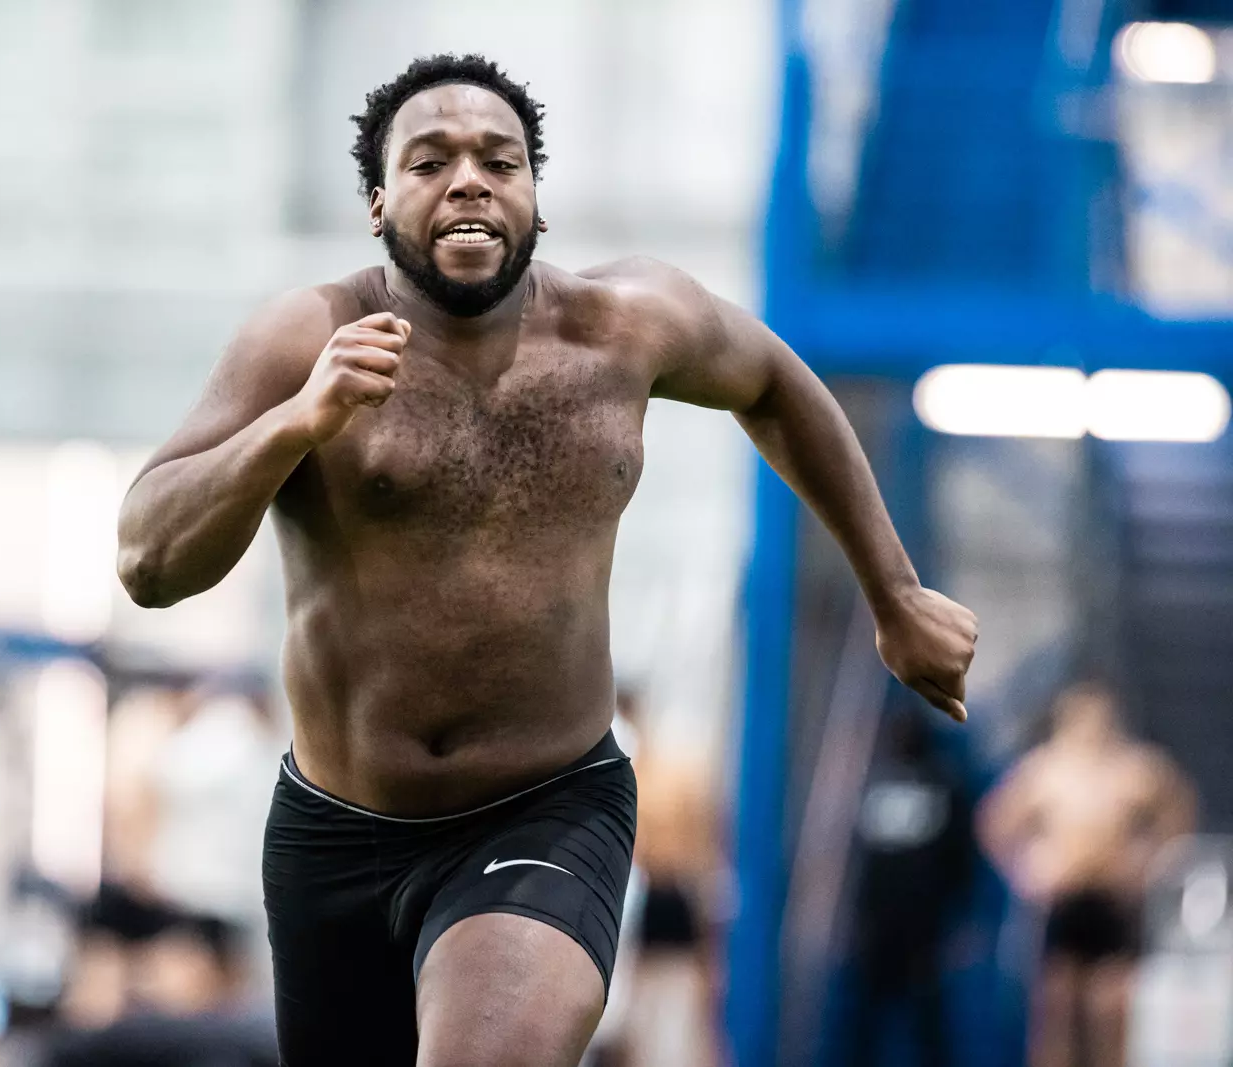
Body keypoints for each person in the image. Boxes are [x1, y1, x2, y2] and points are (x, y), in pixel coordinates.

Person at [116, 53, 978, 1067]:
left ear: (534, 197)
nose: (470, 179)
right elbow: (149, 559)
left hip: (546, 804)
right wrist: (297, 424)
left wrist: (895, 591)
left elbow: (779, 384)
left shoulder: (627, 324)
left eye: (500, 159)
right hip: (334, 831)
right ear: (380, 202)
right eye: (431, 160)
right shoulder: (306, 337)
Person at [977, 682, 1196, 1067]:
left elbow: (1178, 812)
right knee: (1057, 1011)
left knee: (1111, 1012)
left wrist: (1148, 864)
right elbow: (995, 823)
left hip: (1113, 900)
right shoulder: (1045, 769)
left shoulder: (1134, 768)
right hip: (1063, 899)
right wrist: (1024, 869)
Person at [846, 702, 974, 1067]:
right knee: (866, 1017)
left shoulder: (943, 784)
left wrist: (960, 919)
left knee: (927, 1016)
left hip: (924, 927)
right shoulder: (870, 782)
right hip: (876, 925)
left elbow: (960, 857)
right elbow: (855, 862)